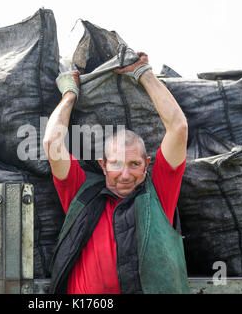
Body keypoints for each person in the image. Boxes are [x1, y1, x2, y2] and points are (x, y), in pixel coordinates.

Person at [43, 52, 190, 294]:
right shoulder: (81, 193)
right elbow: (51, 143)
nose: (125, 175)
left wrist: (144, 73)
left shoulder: (160, 194)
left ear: (147, 165)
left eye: (134, 164)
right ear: (103, 165)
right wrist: (70, 94)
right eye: (116, 164)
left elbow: (178, 127)